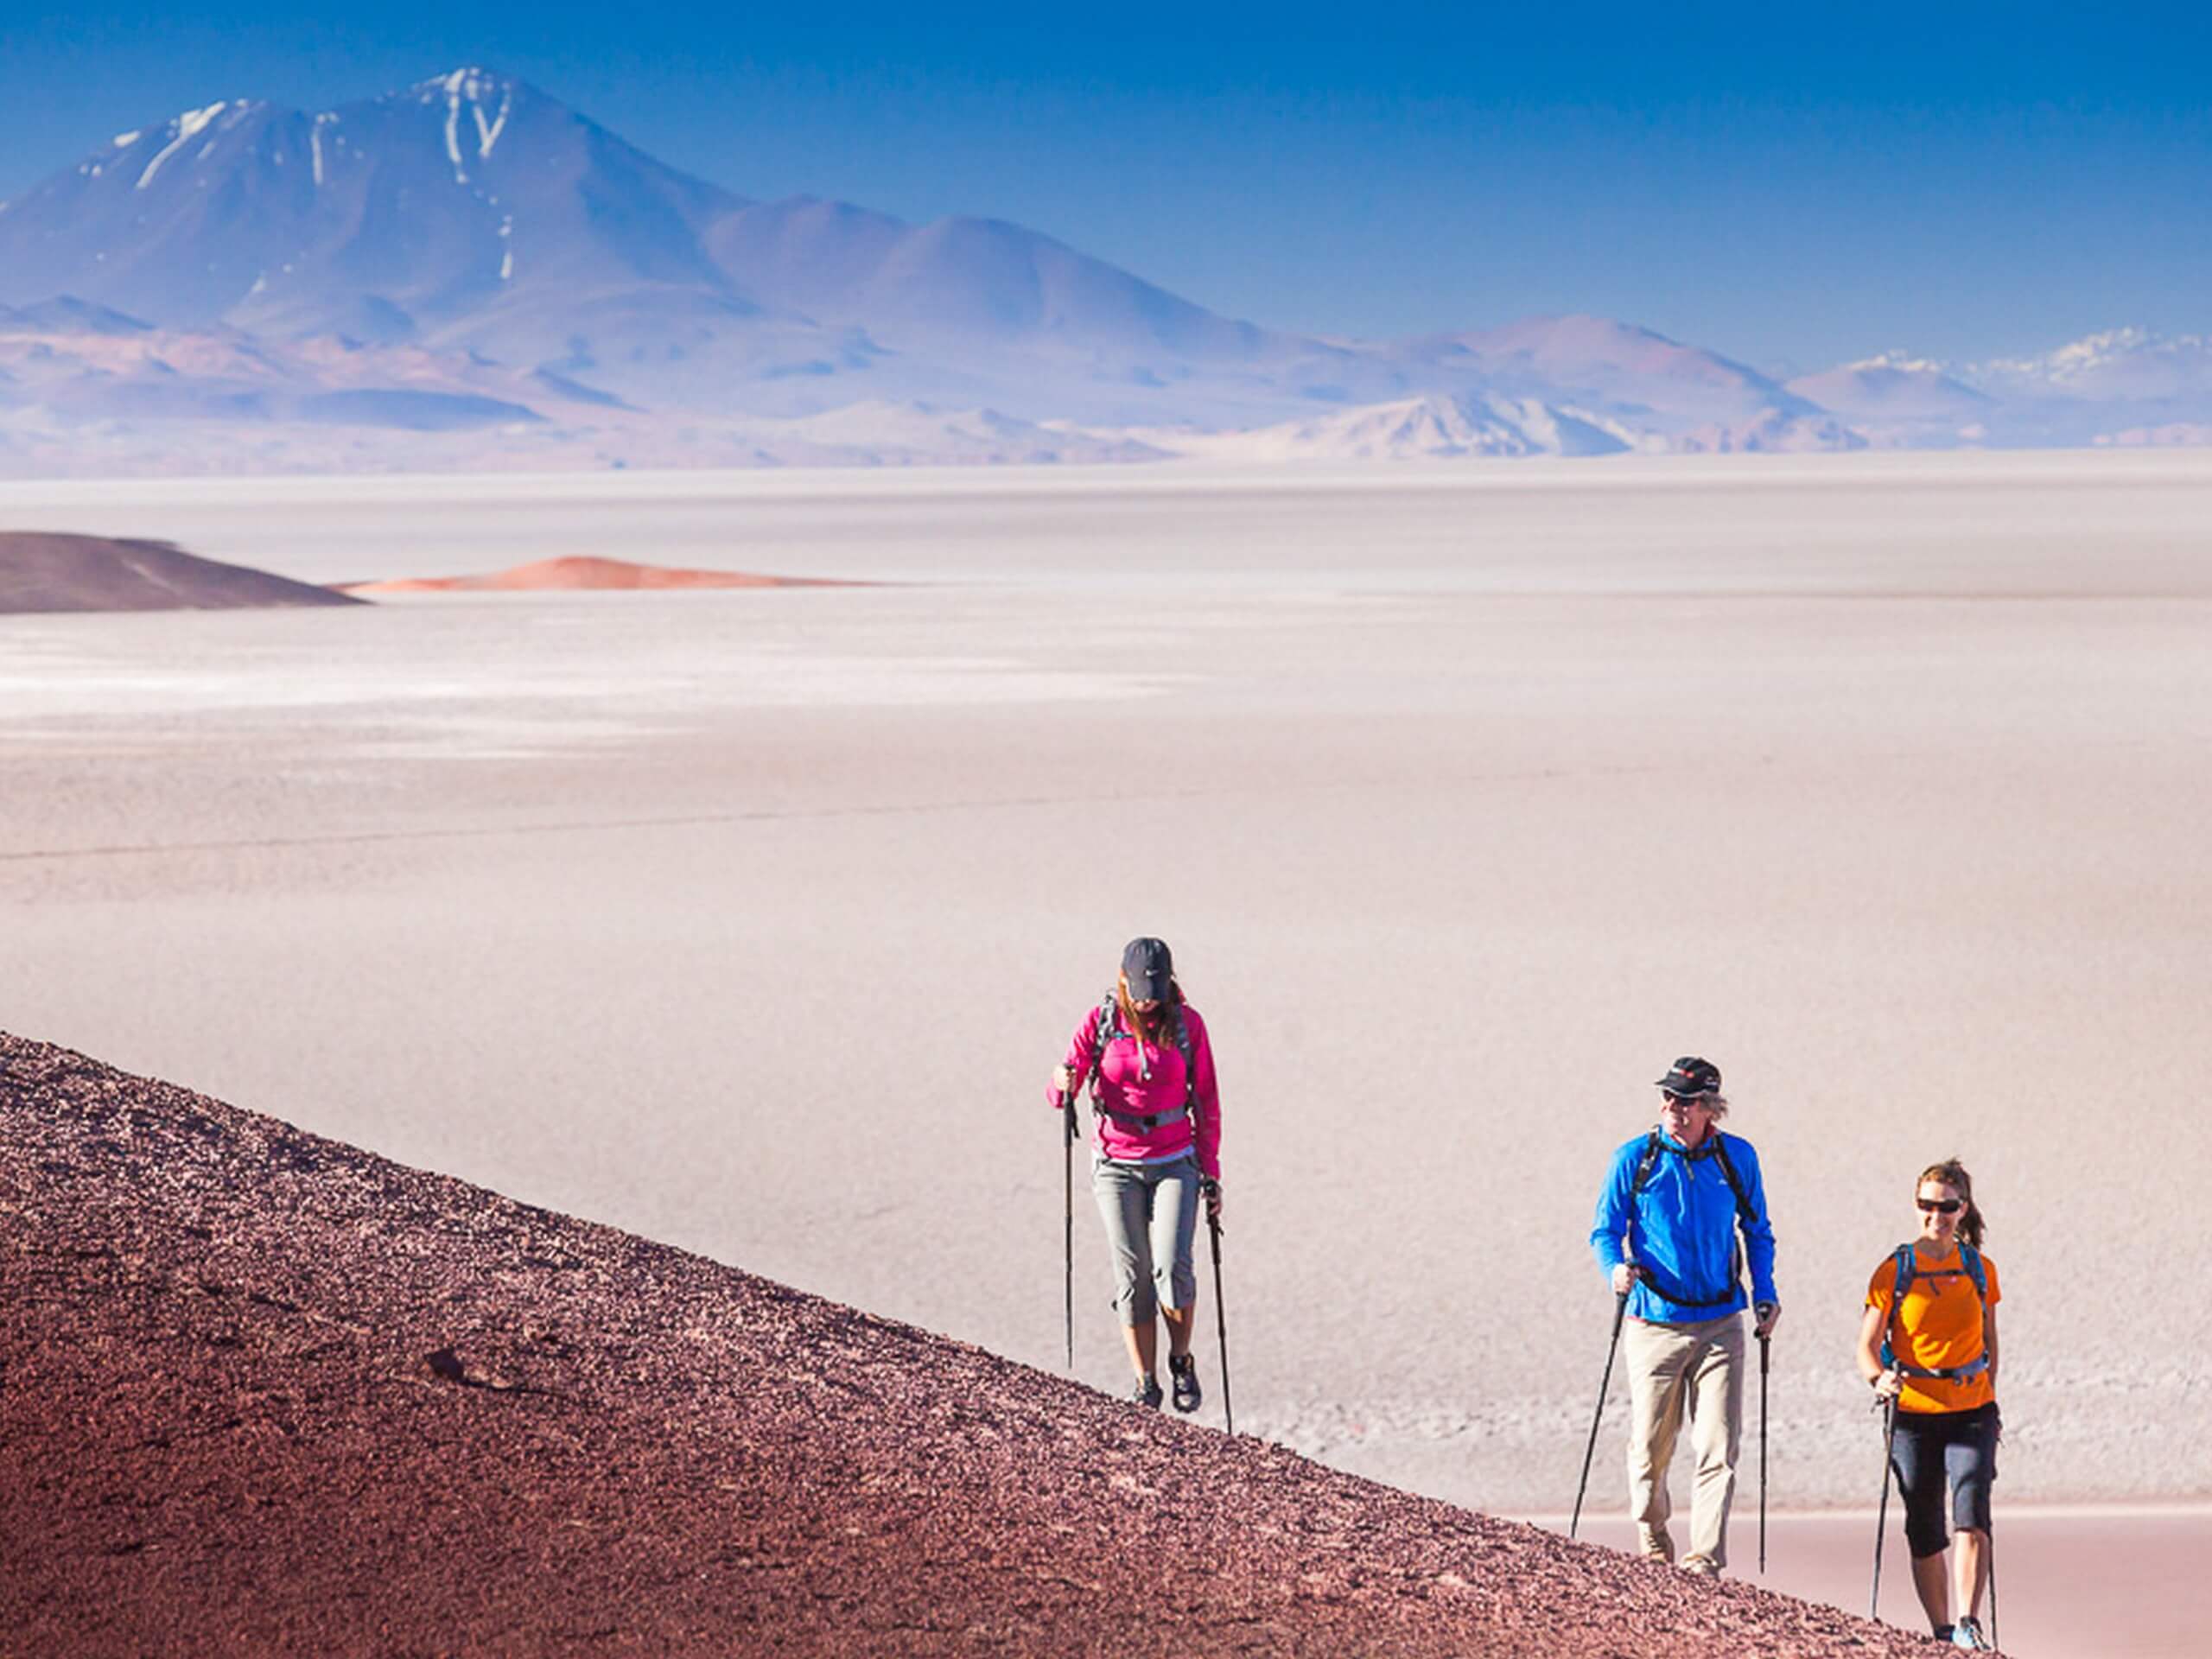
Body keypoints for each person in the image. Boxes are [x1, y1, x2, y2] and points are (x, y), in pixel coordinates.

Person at [1588, 1056, 1780, 1576]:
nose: (1674, 1109)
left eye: (1687, 1101)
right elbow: (1605, 1230)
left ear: (1711, 1108)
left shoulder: (1735, 1157)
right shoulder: (1636, 1158)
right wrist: (1615, 1269)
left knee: (1718, 1444)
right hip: (1655, 1322)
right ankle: (1653, 1538)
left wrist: (1764, 1292)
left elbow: (1757, 1231)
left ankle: (1705, 1561)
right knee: (1650, 1451)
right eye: (1669, 1098)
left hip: (1722, 1322)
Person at [1049, 937, 1223, 1411]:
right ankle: (1145, 1383)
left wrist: (1211, 1173)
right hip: (1116, 1163)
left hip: (1174, 1159)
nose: (1148, 999)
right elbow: (1064, 1085)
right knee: (1133, 1275)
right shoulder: (1101, 1020)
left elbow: (1206, 1101)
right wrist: (1062, 1083)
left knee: (1172, 1267)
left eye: (1156, 988)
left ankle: (1181, 1361)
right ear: (1123, 978)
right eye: (1142, 988)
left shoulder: (1187, 1025)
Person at [1856, 1160, 2002, 1651]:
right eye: (1927, 1205)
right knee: (1923, 1523)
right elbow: (1867, 1346)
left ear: (1962, 1209)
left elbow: (1991, 1341)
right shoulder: (1894, 1270)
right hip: (1913, 1412)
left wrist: (1990, 1398)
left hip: (1971, 1409)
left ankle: (1967, 1622)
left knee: (1971, 1510)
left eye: (1946, 1206)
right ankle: (1941, 1631)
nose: (1935, 1215)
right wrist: (1880, 1379)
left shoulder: (1978, 1269)